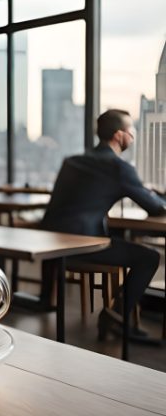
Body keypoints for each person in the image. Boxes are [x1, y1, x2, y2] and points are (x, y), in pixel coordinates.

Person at [40, 109, 166, 339]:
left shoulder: (73, 162)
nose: (133, 137)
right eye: (131, 132)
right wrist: (157, 195)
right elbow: (156, 208)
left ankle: (112, 315)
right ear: (119, 135)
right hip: (85, 246)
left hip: (52, 245)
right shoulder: (120, 168)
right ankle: (116, 316)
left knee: (124, 243)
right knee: (150, 257)